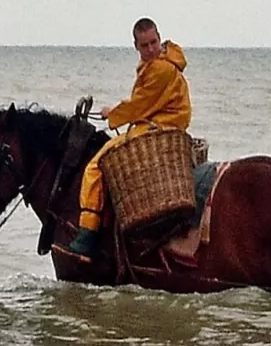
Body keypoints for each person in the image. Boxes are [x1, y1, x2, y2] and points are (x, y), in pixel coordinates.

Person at [57, 18, 191, 259]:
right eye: (145, 45)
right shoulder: (162, 62)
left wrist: (114, 114)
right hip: (162, 122)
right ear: (136, 46)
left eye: (153, 42)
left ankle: (87, 232)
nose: (150, 49)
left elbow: (139, 104)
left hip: (159, 126)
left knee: (96, 166)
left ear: (160, 38)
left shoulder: (160, 68)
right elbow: (145, 102)